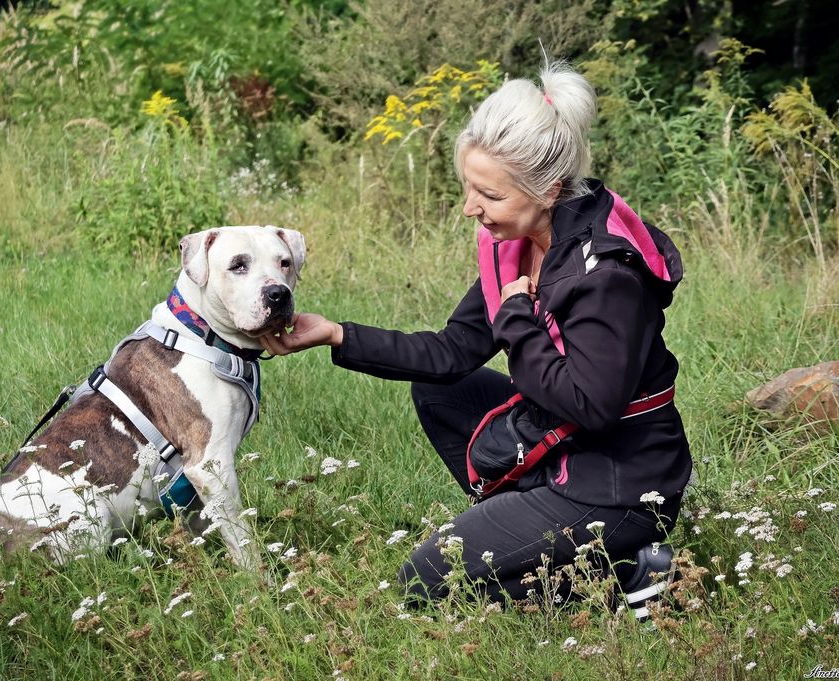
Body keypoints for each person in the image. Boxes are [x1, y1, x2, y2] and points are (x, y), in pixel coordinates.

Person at [261, 61, 692, 607]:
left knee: (423, 584)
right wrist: (336, 335)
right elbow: (452, 352)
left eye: (489, 195)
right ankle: (533, 527)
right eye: (469, 187)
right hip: (562, 446)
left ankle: (631, 575)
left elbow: (592, 406)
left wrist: (517, 317)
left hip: (619, 483)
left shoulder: (606, 275)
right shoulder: (519, 240)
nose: (471, 208)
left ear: (548, 188)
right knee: (442, 389)